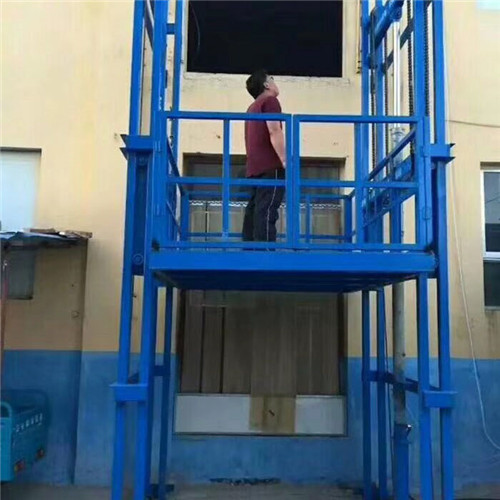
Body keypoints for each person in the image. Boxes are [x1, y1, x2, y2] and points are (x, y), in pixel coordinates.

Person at [242, 69, 286, 243]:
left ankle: (249, 249)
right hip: (270, 166)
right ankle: (265, 251)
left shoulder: (252, 108)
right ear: (266, 84)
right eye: (272, 78)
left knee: (254, 211)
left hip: (254, 167)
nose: (275, 82)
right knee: (267, 211)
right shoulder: (270, 101)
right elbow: (274, 130)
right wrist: (285, 160)